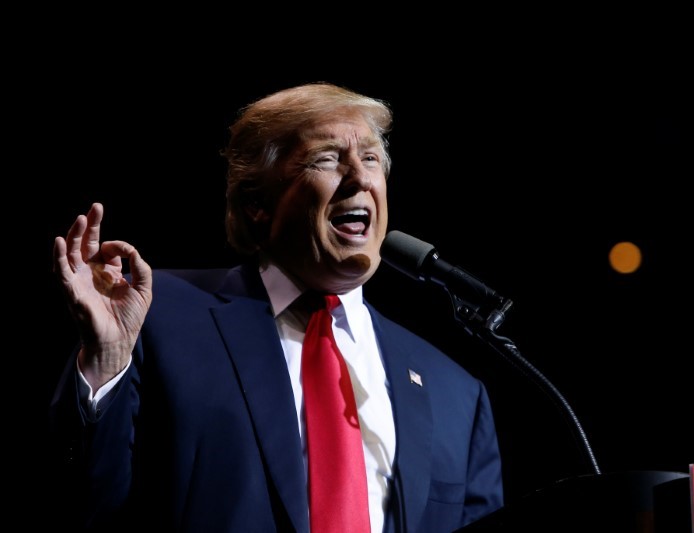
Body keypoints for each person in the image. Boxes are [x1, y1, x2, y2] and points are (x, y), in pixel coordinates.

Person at [49, 82, 504, 532]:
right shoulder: (157, 317)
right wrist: (108, 362)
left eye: (370, 159)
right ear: (257, 205)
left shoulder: (456, 393)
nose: (360, 178)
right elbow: (82, 506)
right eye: (327, 159)